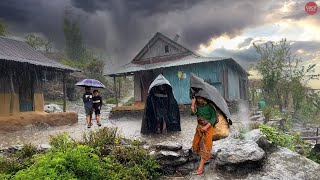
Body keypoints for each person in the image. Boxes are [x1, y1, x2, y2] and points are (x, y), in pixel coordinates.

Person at [191, 96, 217, 175]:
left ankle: (200, 168)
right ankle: (206, 155)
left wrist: (206, 126)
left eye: (201, 98)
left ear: (205, 98)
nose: (199, 100)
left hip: (208, 129)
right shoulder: (198, 106)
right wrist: (193, 104)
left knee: (205, 147)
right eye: (198, 98)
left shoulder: (210, 107)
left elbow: (213, 118)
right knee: (195, 144)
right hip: (199, 128)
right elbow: (193, 113)